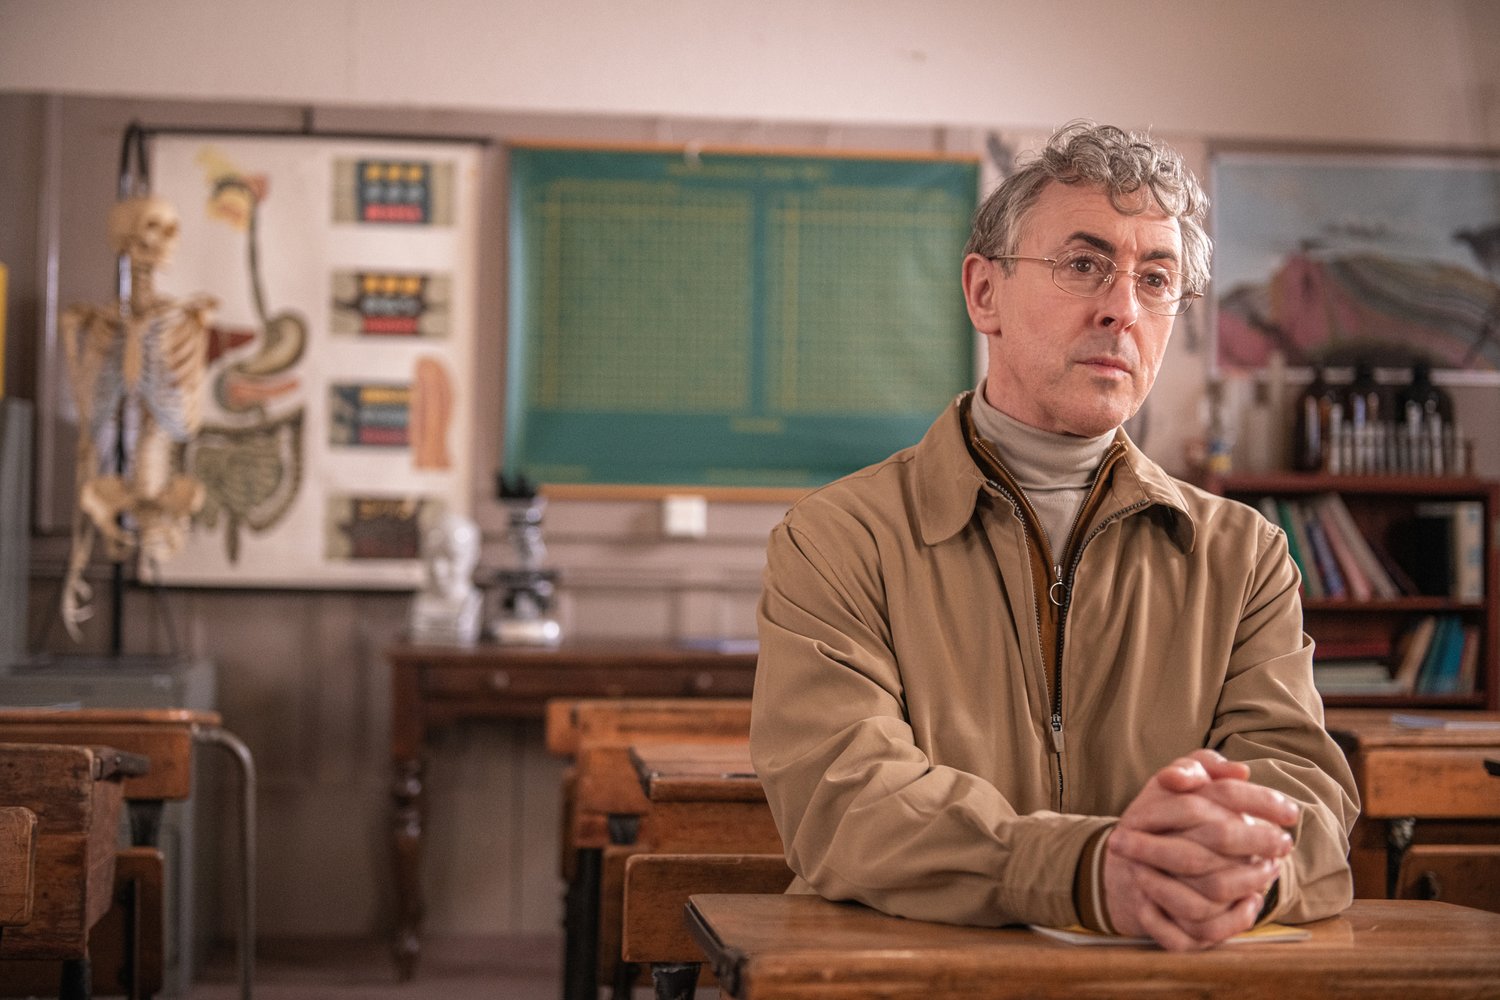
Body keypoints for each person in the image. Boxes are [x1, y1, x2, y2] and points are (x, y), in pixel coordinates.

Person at [750, 120, 1359, 952]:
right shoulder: (839, 539)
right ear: (983, 294)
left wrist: (1240, 876)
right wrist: (1084, 871)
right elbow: (845, 801)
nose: (1121, 309)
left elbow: (1306, 801)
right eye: (1083, 266)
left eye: (1156, 279)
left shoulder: (1241, 555)